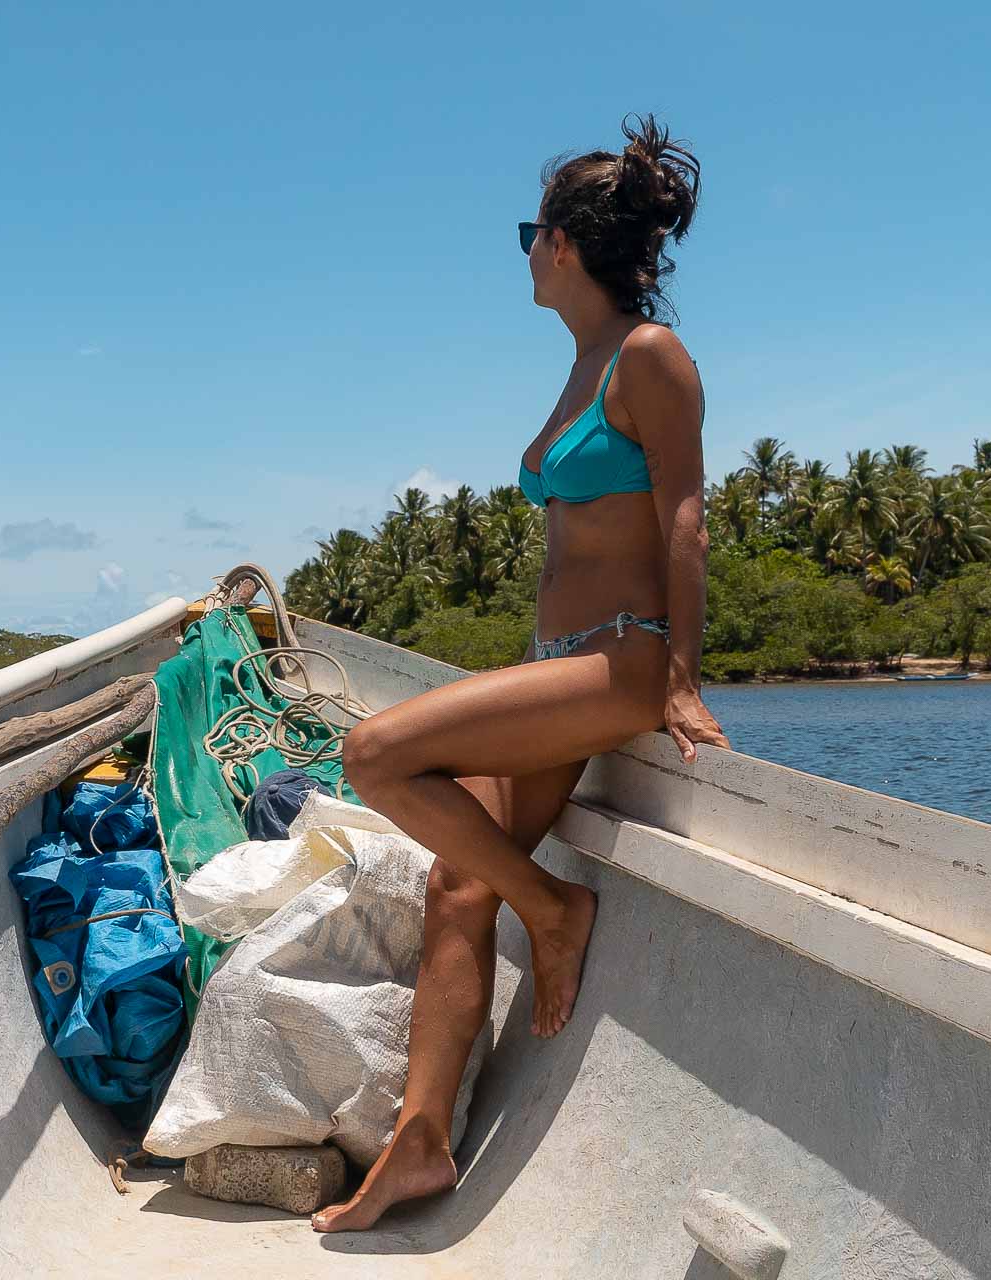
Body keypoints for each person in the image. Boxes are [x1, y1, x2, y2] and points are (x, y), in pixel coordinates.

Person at [311, 114, 731, 1233]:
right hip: (561, 663)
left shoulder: (650, 357)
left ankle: (554, 910)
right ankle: (422, 1143)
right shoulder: (585, 362)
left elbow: (684, 518)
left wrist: (679, 676)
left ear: (563, 244)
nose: (525, 256)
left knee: (377, 753)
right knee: (456, 880)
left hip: (623, 657)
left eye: (528, 235)